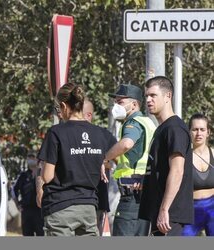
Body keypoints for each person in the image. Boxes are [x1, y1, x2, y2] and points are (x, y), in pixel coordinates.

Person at [37, 82, 117, 236]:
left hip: (60, 208)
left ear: (63, 106)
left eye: (58, 109)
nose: (59, 113)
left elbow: (47, 176)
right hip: (89, 208)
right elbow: (120, 156)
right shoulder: (101, 134)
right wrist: (103, 162)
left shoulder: (56, 132)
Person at [138, 75, 194, 236]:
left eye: (153, 95)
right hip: (159, 212)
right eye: (146, 96)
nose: (148, 100)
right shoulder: (162, 128)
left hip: (170, 215)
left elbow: (177, 171)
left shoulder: (174, 128)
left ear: (167, 96)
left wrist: (164, 209)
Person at [104, 83, 156, 236]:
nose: (115, 106)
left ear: (133, 104)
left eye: (120, 102)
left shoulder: (132, 123)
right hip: (144, 194)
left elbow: (126, 144)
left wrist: (105, 157)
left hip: (132, 194)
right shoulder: (147, 122)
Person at [83, 98, 117, 236]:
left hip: (96, 201)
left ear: (89, 115)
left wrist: (104, 163)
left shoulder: (103, 135)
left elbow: (119, 160)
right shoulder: (64, 133)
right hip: (70, 202)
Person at [181, 113, 214, 236]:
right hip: (191, 209)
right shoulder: (182, 157)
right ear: (189, 132)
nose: (199, 133)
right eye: (195, 129)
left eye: (202, 129)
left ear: (208, 132)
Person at [12, 150, 44, 236]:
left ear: (37, 159)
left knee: (41, 235)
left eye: (33, 157)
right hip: (26, 211)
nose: (30, 159)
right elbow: (13, 190)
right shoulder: (23, 176)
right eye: (29, 157)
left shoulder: (43, 174)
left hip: (40, 211)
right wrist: (17, 205)